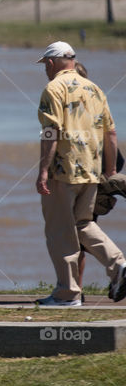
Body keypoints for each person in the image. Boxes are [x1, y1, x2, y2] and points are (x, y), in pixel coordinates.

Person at [35, 42, 126, 306]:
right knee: (83, 224)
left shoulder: (53, 88)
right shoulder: (95, 88)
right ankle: (119, 265)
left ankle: (68, 294)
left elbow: (50, 132)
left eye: (45, 66)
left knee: (60, 231)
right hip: (92, 169)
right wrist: (109, 170)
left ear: (52, 63)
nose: (45, 71)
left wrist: (43, 171)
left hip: (63, 171)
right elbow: (110, 132)